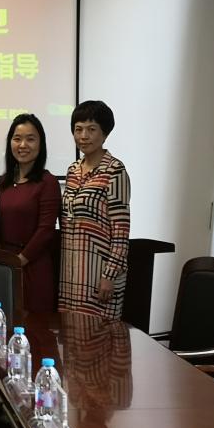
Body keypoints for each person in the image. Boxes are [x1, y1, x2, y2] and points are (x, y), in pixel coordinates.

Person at [59, 100, 131, 319]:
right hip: (71, 272)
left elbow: (121, 230)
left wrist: (109, 275)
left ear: (105, 133)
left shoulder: (115, 170)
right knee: (71, 331)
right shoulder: (72, 170)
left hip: (99, 273)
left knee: (99, 334)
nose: (84, 136)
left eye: (91, 129)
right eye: (78, 129)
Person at [0, 114, 61, 312]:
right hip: (5, 267)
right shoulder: (4, 182)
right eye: (17, 139)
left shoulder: (48, 182)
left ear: (41, 144)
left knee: (35, 326)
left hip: (34, 267)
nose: (23, 145)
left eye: (30, 139)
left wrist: (19, 261)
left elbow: (46, 230)